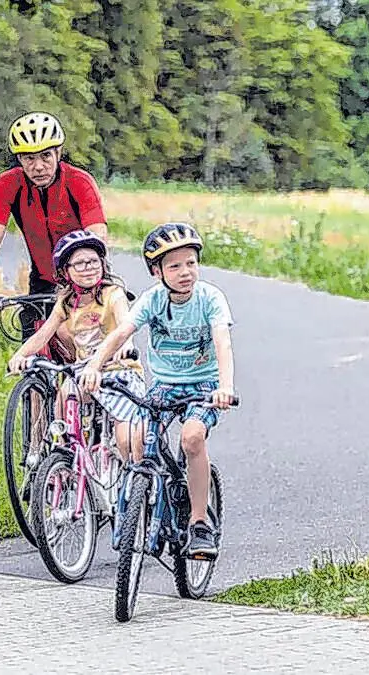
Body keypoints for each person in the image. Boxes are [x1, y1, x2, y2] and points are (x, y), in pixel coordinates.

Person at [80, 222, 236, 560]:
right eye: (174, 265)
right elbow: (121, 333)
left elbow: (222, 341)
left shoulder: (210, 298)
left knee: (192, 438)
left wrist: (225, 387)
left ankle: (198, 523)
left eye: (191, 263)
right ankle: (142, 500)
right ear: (157, 271)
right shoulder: (153, 300)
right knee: (137, 440)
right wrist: (94, 366)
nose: (185, 272)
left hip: (205, 386)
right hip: (165, 385)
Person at [7, 230, 146, 465]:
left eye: (93, 261)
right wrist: (20, 355)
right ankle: (66, 453)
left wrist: (127, 345)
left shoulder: (113, 294)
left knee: (128, 441)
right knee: (65, 395)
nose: (88, 268)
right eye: (79, 264)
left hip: (118, 370)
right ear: (65, 272)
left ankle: (133, 484)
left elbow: (125, 324)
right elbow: (43, 334)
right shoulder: (66, 303)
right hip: (85, 373)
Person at [0, 111, 109, 353]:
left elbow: (97, 236)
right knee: (31, 356)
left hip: (85, 277)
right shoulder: (8, 185)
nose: (38, 167)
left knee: (74, 344)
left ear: (59, 152)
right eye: (28, 158)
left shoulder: (79, 182)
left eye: (46, 156)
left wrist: (85, 280)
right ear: (19, 159)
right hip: (43, 280)